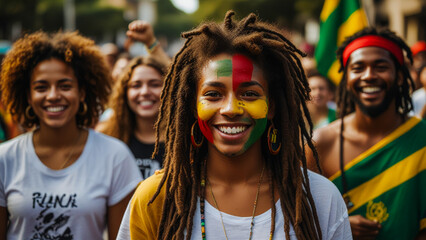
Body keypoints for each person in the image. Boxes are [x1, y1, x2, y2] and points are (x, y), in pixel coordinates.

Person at [118, 11, 351, 240]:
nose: (230, 109)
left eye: (250, 94)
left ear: (272, 107)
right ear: (193, 105)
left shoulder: (319, 198)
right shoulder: (155, 198)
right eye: (213, 94)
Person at [0, 31, 142, 240]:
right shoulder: (5, 159)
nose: (53, 95)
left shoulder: (114, 156)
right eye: (41, 87)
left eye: (65, 86)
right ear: (28, 96)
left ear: (82, 92)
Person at [306, 27, 426, 239]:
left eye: (380, 67)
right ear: (346, 78)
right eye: (358, 67)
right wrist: (337, 226)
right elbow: (296, 219)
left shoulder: (421, 138)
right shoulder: (320, 144)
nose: (369, 76)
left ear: (399, 76)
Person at [97, 55, 168, 179]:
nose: (145, 92)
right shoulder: (105, 136)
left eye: (155, 84)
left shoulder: (185, 140)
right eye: (136, 85)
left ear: (170, 89)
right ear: (124, 92)